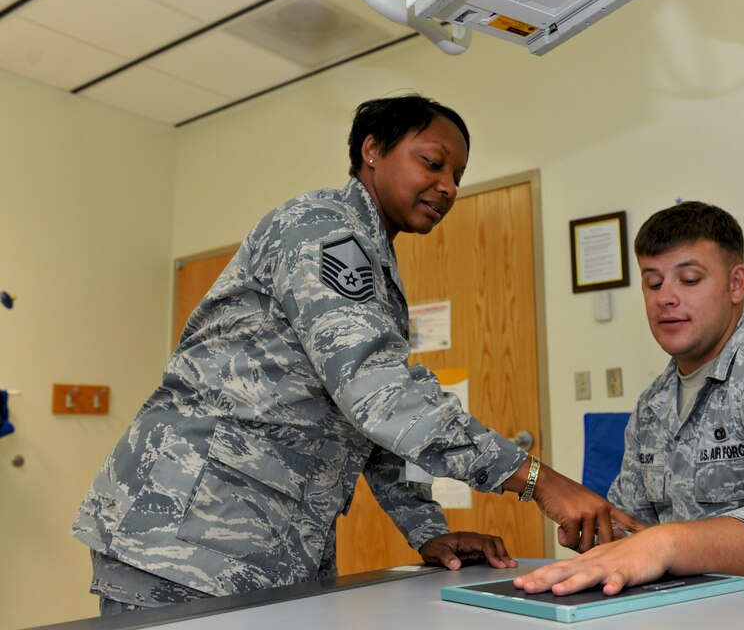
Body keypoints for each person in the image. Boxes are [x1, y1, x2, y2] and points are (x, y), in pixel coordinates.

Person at [73, 94, 634, 614]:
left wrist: (426, 530)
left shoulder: (371, 267)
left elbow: (366, 423)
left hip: (262, 539)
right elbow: (378, 396)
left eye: (458, 177)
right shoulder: (320, 232)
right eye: (433, 163)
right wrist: (537, 479)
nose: (448, 187)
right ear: (372, 151)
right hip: (189, 529)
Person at [515, 201, 744, 596]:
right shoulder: (652, 404)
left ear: (736, 284)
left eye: (689, 280)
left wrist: (664, 544)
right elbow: (636, 529)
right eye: (653, 283)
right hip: (702, 609)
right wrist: (603, 534)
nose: (666, 298)